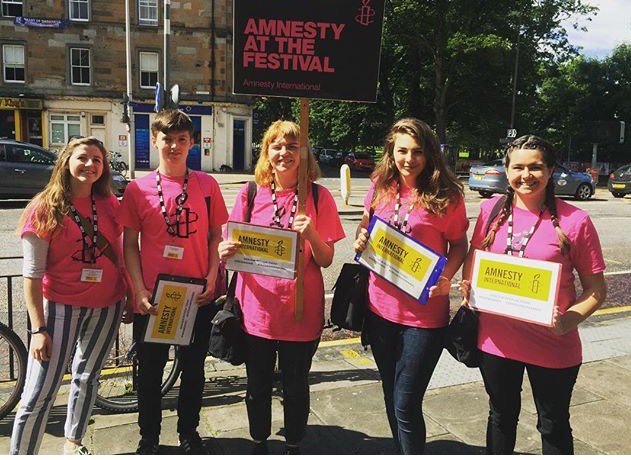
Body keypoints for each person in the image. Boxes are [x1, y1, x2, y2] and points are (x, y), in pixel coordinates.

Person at [461, 135, 607, 454]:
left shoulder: (576, 221)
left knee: (553, 425)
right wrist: (468, 286)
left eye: (536, 167)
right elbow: (474, 258)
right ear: (506, 169)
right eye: (518, 167)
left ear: (551, 170)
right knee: (500, 418)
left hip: (553, 345)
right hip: (496, 343)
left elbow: (597, 290)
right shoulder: (489, 210)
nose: (526, 175)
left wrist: (567, 321)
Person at [219, 120, 345, 455]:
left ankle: (293, 441)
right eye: (277, 146)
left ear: (305, 153)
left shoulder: (319, 196)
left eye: (292, 146)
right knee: (257, 386)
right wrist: (224, 252)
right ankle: (259, 438)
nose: (284, 153)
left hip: (300, 313)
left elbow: (327, 259)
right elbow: (231, 249)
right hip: (257, 312)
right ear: (266, 152)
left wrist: (312, 234)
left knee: (296, 385)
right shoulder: (249, 194)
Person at [353, 118, 469, 454]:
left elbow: (460, 244)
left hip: (423, 317)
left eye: (417, 151)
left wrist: (446, 276)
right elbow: (366, 228)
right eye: (402, 150)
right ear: (391, 150)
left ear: (429, 153)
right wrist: (362, 238)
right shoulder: (379, 186)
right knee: (390, 392)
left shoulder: (447, 195)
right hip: (379, 310)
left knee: (406, 401)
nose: (409, 158)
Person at [10, 137, 131, 455]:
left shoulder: (108, 202)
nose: (91, 165)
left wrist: (129, 293)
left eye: (98, 160)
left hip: (107, 305)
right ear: (65, 161)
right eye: (83, 158)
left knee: (88, 378)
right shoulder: (43, 208)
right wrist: (38, 330)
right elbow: (32, 276)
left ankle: (73, 444)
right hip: (61, 308)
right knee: (40, 391)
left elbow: (119, 254)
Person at [118, 110, 228, 455]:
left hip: (197, 294)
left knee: (193, 370)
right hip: (153, 296)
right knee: (149, 373)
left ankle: (188, 432)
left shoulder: (207, 186)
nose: (174, 146)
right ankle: (148, 436)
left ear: (192, 143)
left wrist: (212, 277)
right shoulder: (138, 189)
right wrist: (137, 290)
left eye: (182, 139)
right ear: (155, 140)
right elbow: (129, 244)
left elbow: (215, 236)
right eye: (167, 139)